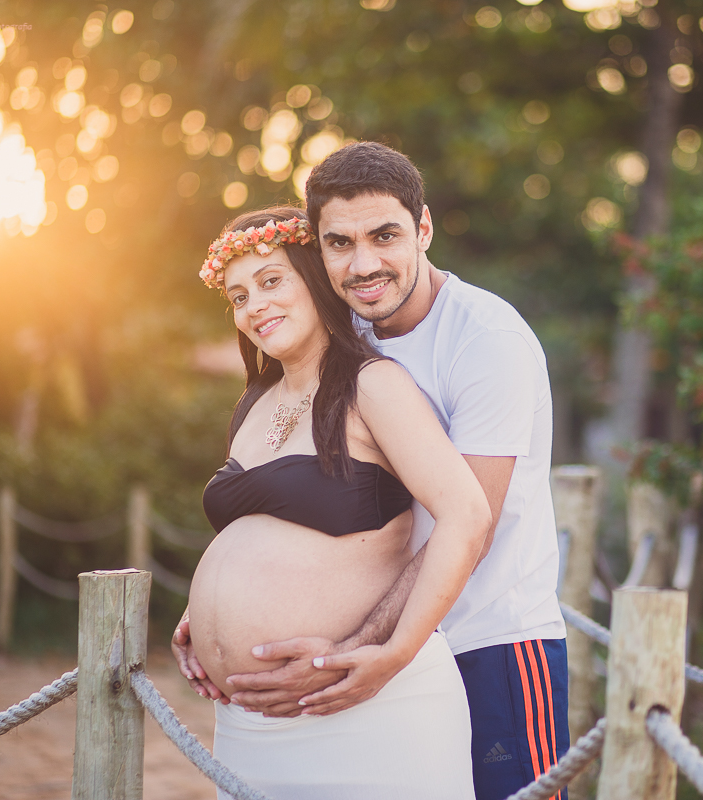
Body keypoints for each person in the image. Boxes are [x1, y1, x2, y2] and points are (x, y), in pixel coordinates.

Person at [194, 142, 572, 800]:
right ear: (320, 250)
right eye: (341, 243)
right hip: (370, 658)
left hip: (489, 639)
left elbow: (469, 524)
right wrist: (210, 613)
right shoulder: (345, 339)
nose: (365, 263)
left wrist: (376, 648)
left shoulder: (486, 341)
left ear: (423, 229)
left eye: (386, 236)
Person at [178, 206, 490, 799]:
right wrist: (205, 617)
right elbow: (266, 533)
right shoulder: (254, 402)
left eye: (272, 282)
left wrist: (391, 654)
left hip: (369, 709)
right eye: (239, 296)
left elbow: (467, 517)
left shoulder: (373, 385)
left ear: (314, 277)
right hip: (251, 724)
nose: (254, 307)